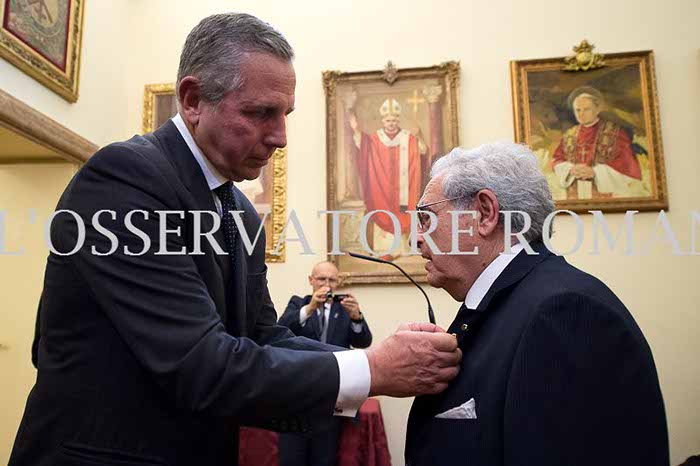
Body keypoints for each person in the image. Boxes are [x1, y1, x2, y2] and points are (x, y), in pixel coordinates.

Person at [9, 13, 462, 466]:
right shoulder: (124, 180)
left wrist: (379, 357)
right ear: (193, 100)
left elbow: (262, 336)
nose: (280, 137)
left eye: (285, 115)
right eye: (261, 113)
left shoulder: (240, 210)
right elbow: (200, 365)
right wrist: (373, 369)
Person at [405, 142, 669, 466]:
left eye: (426, 218)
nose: (417, 237)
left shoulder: (565, 313)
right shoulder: (516, 303)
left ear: (484, 213)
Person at [277, 261, 372, 466]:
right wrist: (310, 308)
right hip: (297, 394)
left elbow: (364, 342)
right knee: (291, 458)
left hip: (330, 395)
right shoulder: (298, 303)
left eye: (331, 280)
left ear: (338, 283)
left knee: (325, 458)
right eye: (321, 279)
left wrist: (357, 318)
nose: (326, 284)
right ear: (311, 280)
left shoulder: (344, 309)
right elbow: (280, 330)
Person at [347, 96, 427, 259]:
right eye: (388, 120)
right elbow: (363, 144)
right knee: (382, 211)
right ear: (383, 121)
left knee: (403, 213)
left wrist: (419, 135)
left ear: (398, 120)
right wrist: (356, 130)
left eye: (394, 120)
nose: (391, 123)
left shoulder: (407, 137)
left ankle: (402, 249)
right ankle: (385, 249)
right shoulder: (375, 138)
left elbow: (423, 150)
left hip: (403, 188)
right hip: (382, 187)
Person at [551, 86, 647, 199]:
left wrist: (595, 172)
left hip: (605, 196)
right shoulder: (569, 135)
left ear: (597, 109)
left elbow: (627, 166)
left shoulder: (615, 133)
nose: (581, 114)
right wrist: (570, 169)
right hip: (574, 195)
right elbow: (557, 160)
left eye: (586, 109)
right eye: (578, 110)